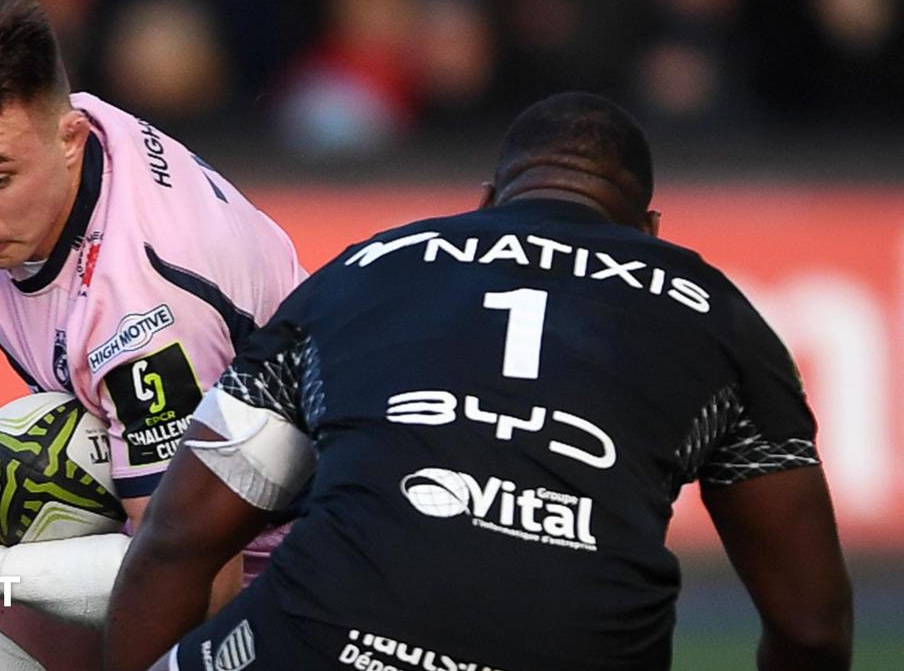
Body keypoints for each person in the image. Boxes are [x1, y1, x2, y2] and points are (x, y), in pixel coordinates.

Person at [103, 92, 854, 671]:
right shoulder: (719, 315)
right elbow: (812, 627)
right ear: (650, 232)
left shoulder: (369, 267)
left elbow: (178, 538)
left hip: (326, 635)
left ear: (488, 201)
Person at [0, 0, 304, 669]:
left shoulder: (143, 307)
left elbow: (191, 576)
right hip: (178, 526)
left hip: (301, 564)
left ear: (70, 139)